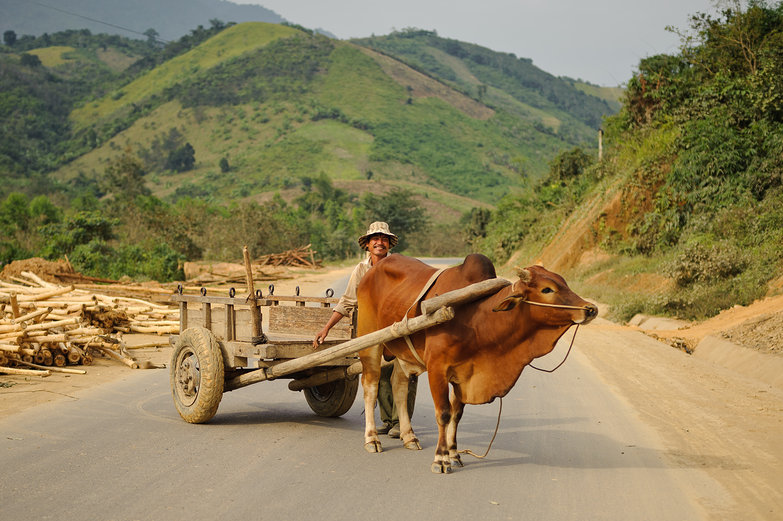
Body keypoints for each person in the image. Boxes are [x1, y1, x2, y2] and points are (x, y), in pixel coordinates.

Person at [313, 221, 417, 438]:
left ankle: (400, 421)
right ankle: (388, 421)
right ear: (368, 245)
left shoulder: (401, 267)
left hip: (398, 329)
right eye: (375, 239)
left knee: (405, 373)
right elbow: (347, 301)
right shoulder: (361, 270)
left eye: (384, 239)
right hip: (372, 329)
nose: (380, 242)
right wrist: (326, 329)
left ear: (389, 244)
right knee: (376, 373)